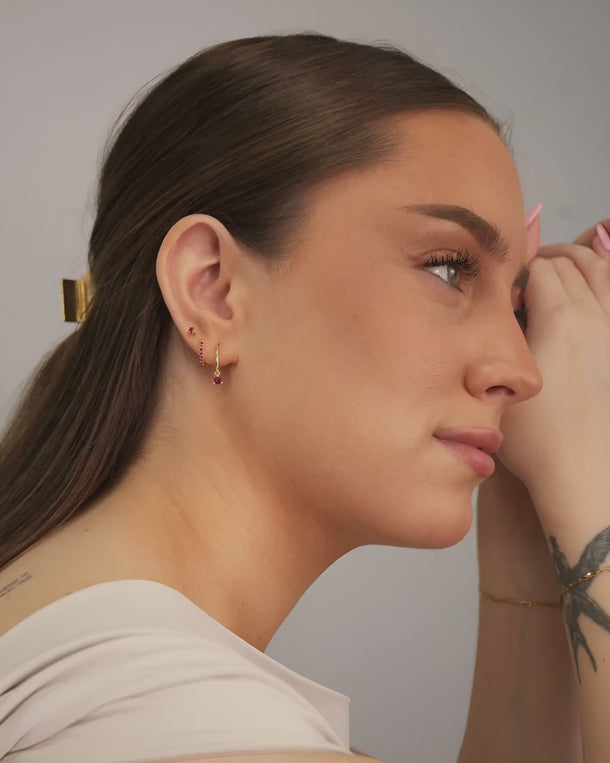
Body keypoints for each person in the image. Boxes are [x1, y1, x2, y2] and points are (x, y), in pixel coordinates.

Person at [0, 30, 608, 763]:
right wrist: (599, 500)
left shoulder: (71, 644)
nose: (524, 371)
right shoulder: (187, 730)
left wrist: (535, 531)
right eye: (449, 269)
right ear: (212, 289)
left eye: (516, 306)